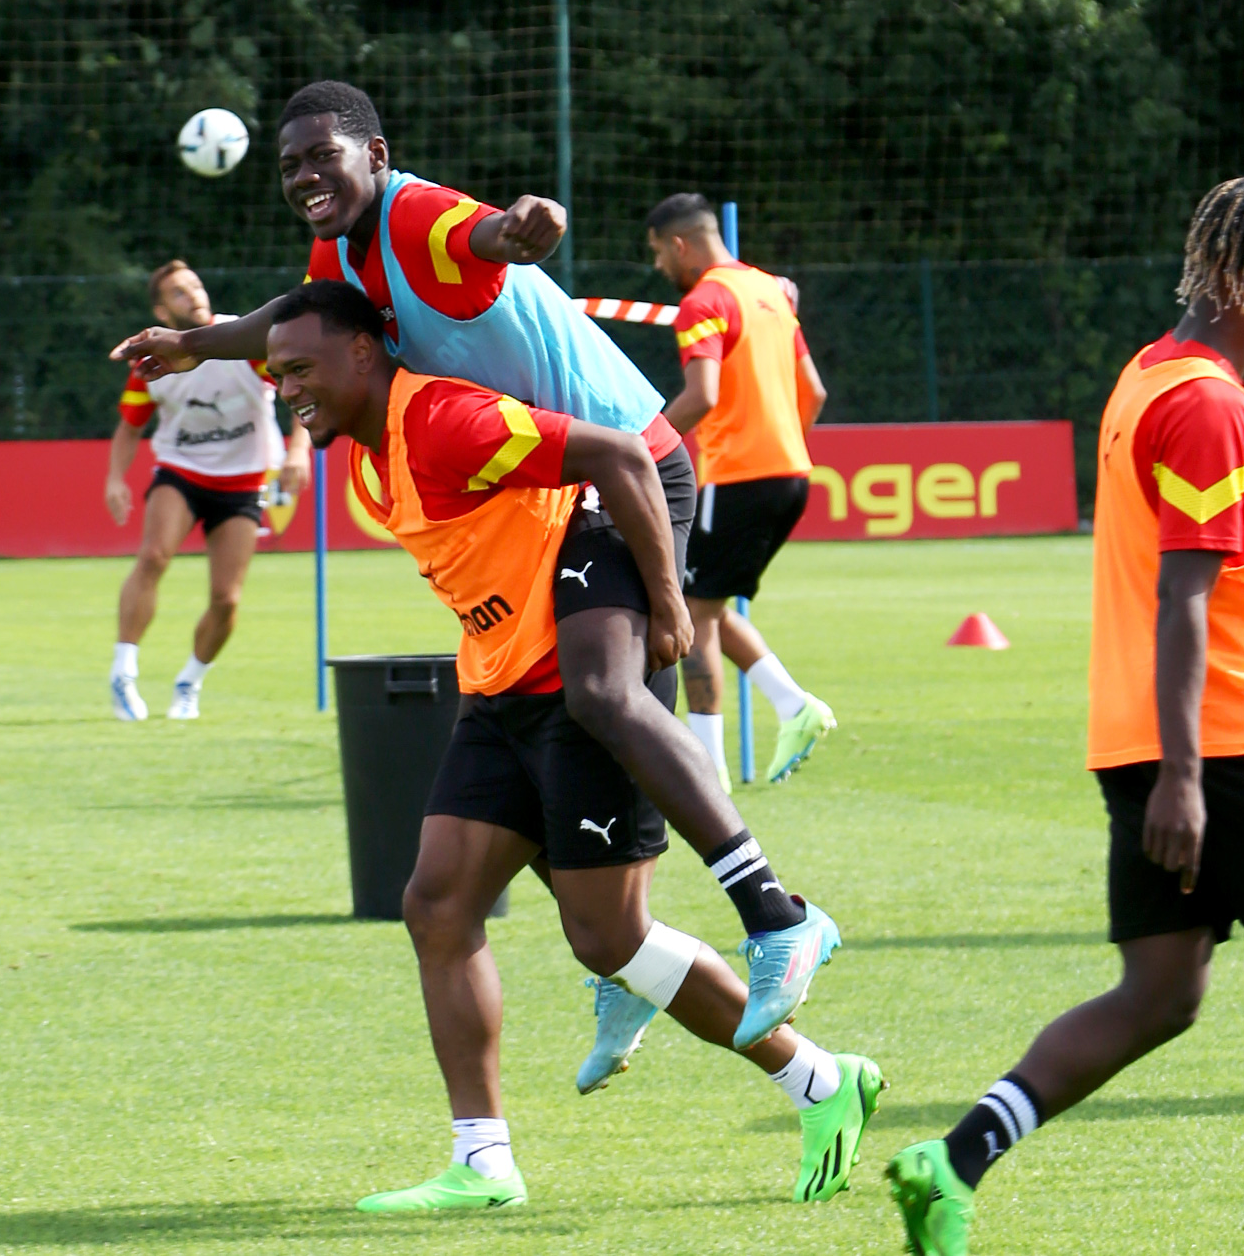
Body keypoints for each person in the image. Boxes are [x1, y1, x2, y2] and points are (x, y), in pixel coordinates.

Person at [111, 82, 837, 1081]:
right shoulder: (343, 249)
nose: (305, 178)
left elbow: (487, 235)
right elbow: (299, 317)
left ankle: (777, 914)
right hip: (572, 476)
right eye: (289, 166)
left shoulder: (410, 211)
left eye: (323, 156)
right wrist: (193, 342)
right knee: (531, 728)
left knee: (595, 690)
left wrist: (524, 227)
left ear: (376, 151)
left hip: (629, 462)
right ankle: (625, 964)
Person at [267, 278, 883, 1211]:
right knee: (437, 906)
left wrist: (668, 605)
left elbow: (619, 454)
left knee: (612, 937)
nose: (286, 390)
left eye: (300, 369)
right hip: (497, 687)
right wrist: (197, 344)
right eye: (277, 375)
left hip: (577, 683)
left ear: (363, 353)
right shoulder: (363, 455)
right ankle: (483, 1162)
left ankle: (817, 1076)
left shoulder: (442, 418)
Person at [885, 180, 1244, 1256]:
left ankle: (955, 1158)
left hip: (1166, 738)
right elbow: (1182, 595)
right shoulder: (1213, 403)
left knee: (1160, 992)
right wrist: (1188, 771)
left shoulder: (1142, 377)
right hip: (1213, 752)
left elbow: (1216, 598)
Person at [647, 193, 835, 787]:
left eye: (657, 254)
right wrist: (781, 443)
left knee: (693, 613)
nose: (658, 268)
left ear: (679, 244)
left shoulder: (704, 300)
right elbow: (815, 391)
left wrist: (640, 445)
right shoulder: (771, 292)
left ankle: (708, 771)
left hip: (739, 476)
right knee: (709, 602)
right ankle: (792, 705)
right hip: (791, 474)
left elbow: (700, 397)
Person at [104, 260, 310, 721]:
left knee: (227, 598)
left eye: (195, 285)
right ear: (161, 309)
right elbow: (129, 427)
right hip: (181, 471)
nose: (193, 295)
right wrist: (115, 478)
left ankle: (190, 682)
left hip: (244, 482)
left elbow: (298, 384)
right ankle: (124, 672)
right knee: (154, 556)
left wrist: (299, 449)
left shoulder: (242, 341)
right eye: (179, 292)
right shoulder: (150, 362)